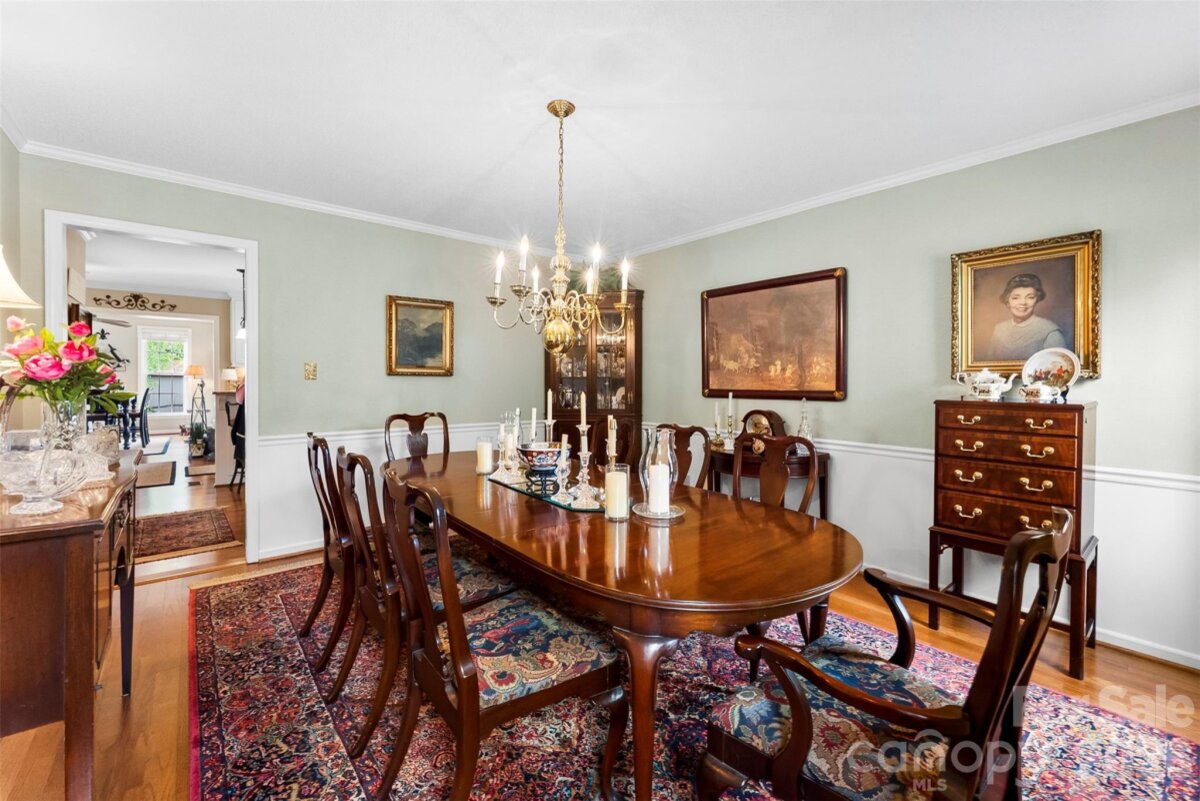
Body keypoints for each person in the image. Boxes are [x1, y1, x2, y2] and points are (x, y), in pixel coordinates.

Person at [986, 273, 1066, 360]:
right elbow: (990, 364)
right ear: (1007, 300)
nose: (1023, 302)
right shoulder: (999, 329)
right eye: (1015, 298)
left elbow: (1058, 365)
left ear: (1037, 300)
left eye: (1030, 297)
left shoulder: (1050, 332)